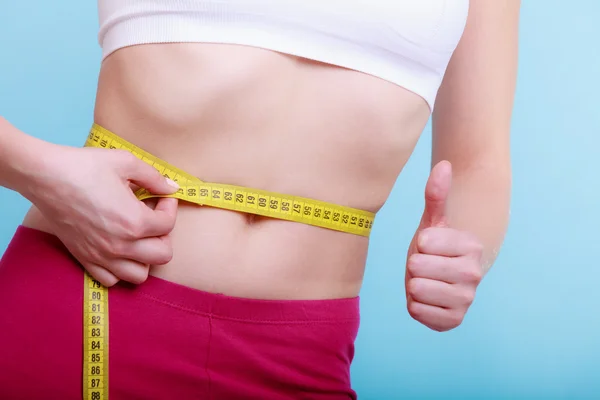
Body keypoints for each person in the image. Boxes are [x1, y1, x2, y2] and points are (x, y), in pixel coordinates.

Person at [0, 0, 520, 399]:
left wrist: (463, 247)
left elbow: (479, 162)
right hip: (95, 306)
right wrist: (41, 172)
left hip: (303, 355)